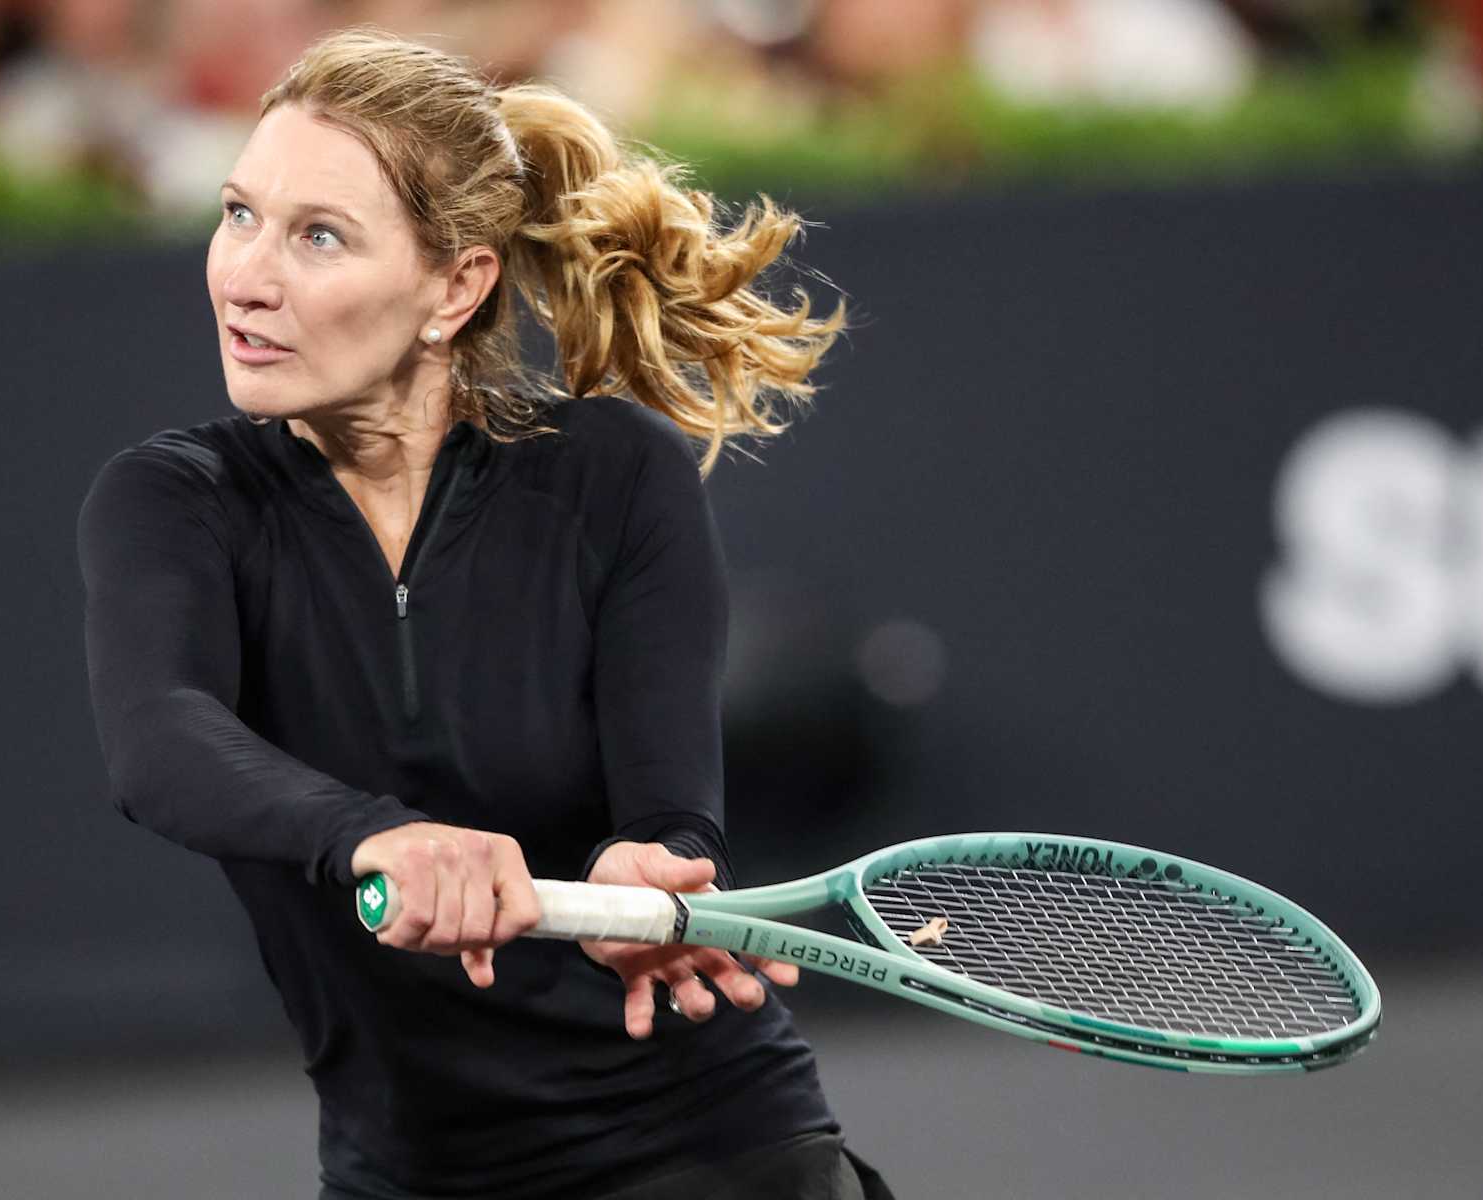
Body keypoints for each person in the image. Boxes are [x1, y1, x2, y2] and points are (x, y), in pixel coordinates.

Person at [77, 26, 885, 1200]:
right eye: (239, 214)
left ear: (454, 287)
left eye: (318, 236)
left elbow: (672, 816)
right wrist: (377, 833)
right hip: (406, 1176)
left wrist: (651, 877)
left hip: (708, 1152)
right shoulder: (173, 501)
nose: (245, 275)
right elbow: (159, 737)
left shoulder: (615, 473)